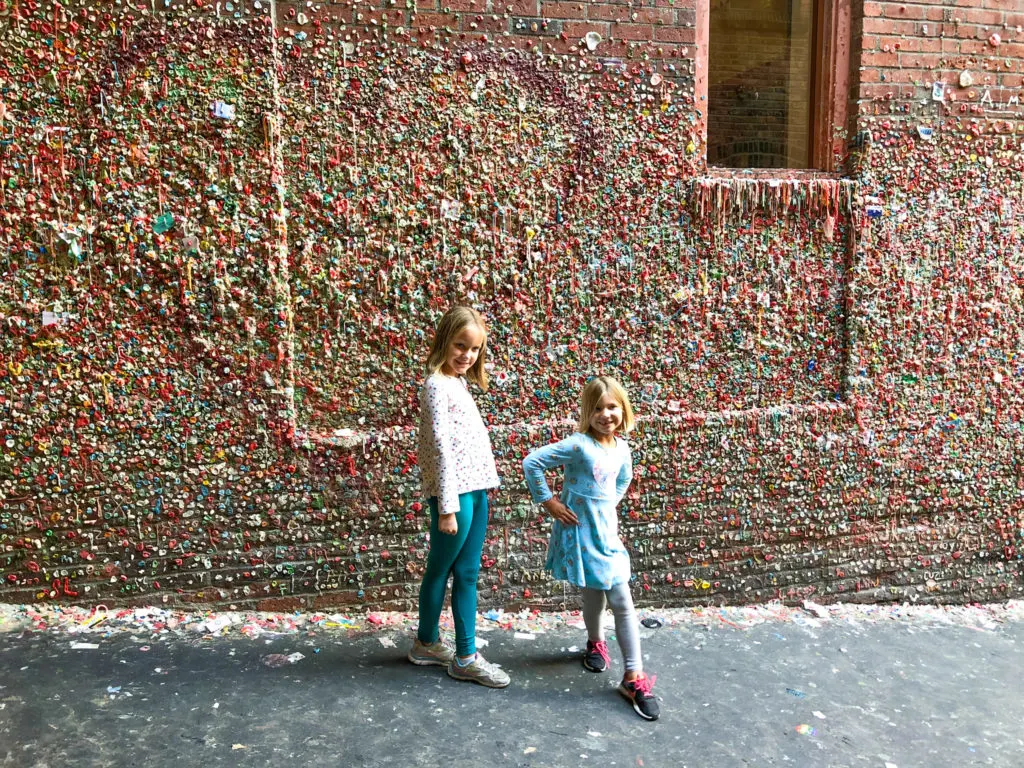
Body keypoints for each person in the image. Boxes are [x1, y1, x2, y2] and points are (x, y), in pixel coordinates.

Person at [522, 375, 659, 720]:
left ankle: (633, 674)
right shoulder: (579, 445)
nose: (605, 414)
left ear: (622, 409)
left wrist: (607, 502)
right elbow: (532, 463)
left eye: (612, 406)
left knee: (620, 599)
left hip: (606, 533)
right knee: (597, 592)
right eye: (597, 408)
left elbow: (624, 477)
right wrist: (550, 502)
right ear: (587, 412)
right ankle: (600, 646)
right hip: (582, 533)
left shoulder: (622, 447)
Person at [406, 305, 510, 688]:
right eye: (460, 345)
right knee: (441, 570)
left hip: (475, 491)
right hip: (457, 497)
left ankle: (431, 644)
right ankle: (457, 654)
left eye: (475, 349)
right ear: (444, 341)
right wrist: (448, 507)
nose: (467, 355)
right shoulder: (435, 385)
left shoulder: (457, 382)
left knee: (466, 572)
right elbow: (440, 449)